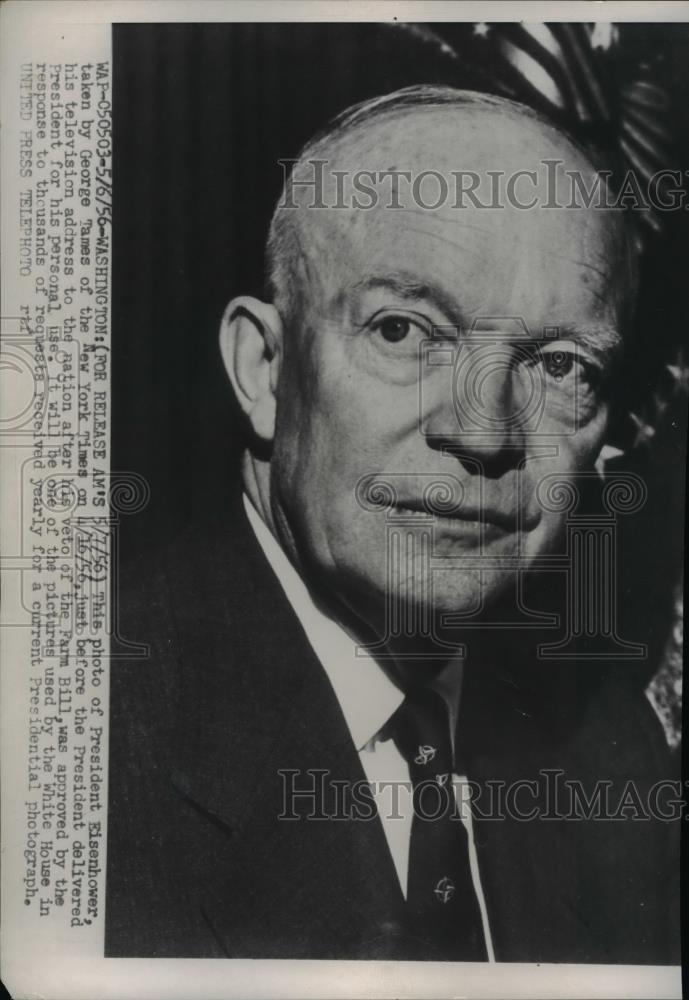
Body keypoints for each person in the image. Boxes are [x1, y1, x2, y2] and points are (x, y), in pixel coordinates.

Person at [105, 87, 679, 962]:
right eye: (405, 330)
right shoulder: (86, 740)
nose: (482, 431)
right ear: (263, 368)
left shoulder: (612, 761)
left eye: (558, 364)